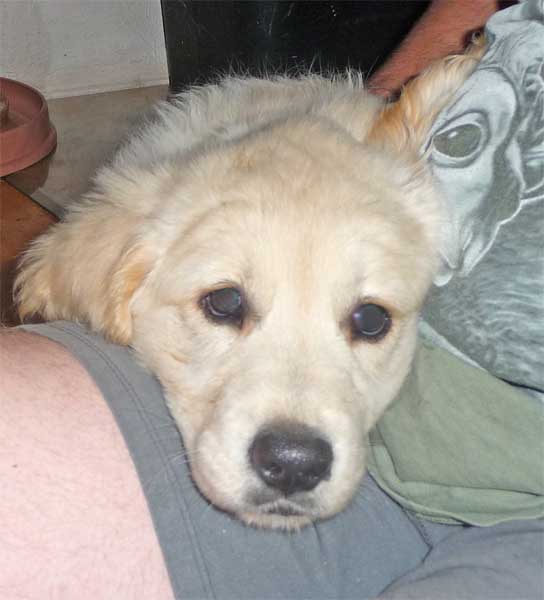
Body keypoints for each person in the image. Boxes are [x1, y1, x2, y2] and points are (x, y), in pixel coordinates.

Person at [1, 1, 542, 598]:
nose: (295, 450)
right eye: (225, 305)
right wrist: (386, 123)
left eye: (367, 320)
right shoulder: (157, 222)